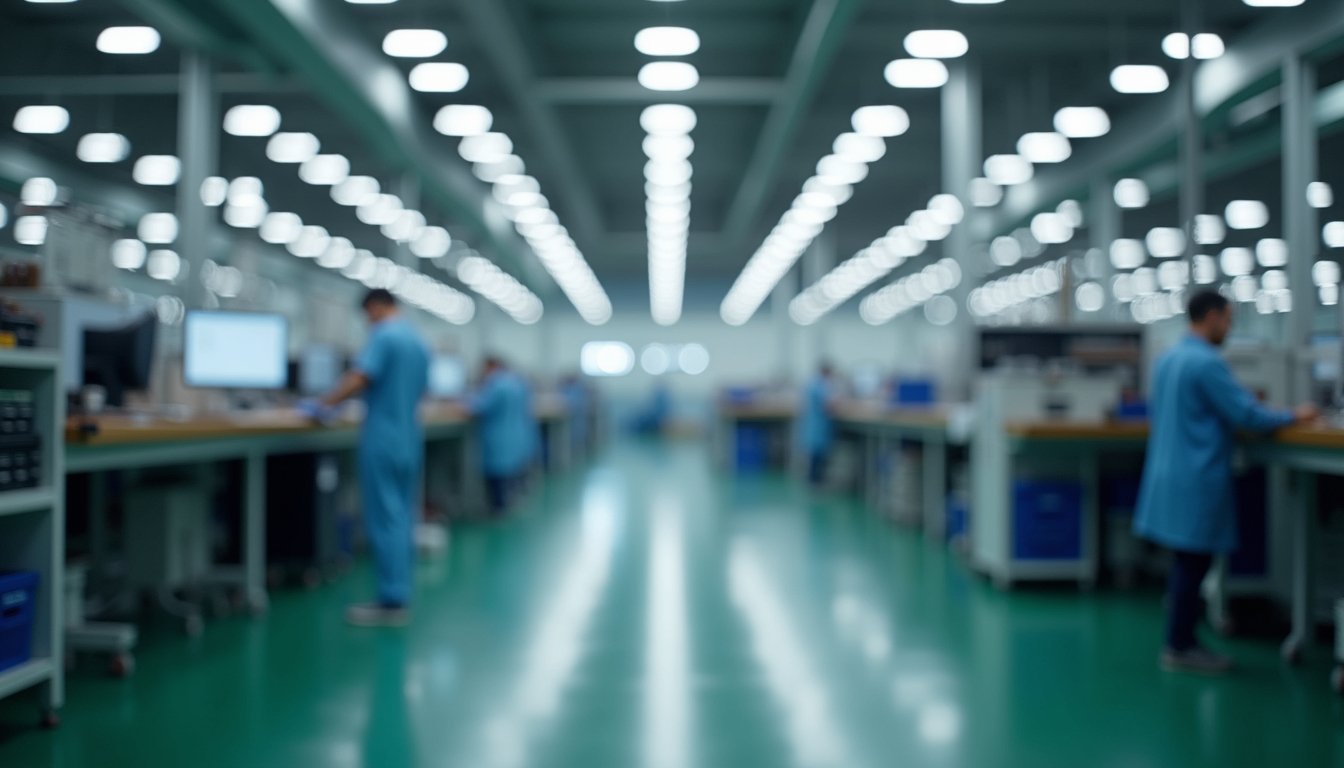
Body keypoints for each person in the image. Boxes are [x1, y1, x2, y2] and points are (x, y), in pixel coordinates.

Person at [1134, 290, 1318, 674]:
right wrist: (1293, 415)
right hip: (1196, 476)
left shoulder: (1167, 358)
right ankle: (1180, 645)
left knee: (1185, 562)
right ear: (1212, 316)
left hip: (1169, 472)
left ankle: (1182, 637)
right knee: (1193, 564)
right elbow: (1247, 415)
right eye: (1228, 319)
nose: (1230, 328)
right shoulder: (1206, 364)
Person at [308, 288, 429, 627]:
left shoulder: (384, 335)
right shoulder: (417, 341)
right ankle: (399, 591)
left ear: (375, 308)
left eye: (367, 315)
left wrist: (323, 405)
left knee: (384, 517)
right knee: (402, 517)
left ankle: (392, 601)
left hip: (383, 439)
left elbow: (359, 378)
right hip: (408, 438)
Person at [468, 356, 536, 515]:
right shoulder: (517, 383)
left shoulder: (497, 384)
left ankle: (497, 508)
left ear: (491, 366)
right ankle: (506, 502)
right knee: (510, 472)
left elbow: (481, 407)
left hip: (498, 435)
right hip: (516, 433)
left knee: (497, 473)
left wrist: (465, 403)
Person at [802, 363, 838, 487]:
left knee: (815, 455)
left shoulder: (813, 384)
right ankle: (816, 482)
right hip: (819, 424)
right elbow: (827, 405)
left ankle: (813, 481)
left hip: (814, 424)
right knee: (817, 456)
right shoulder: (820, 386)